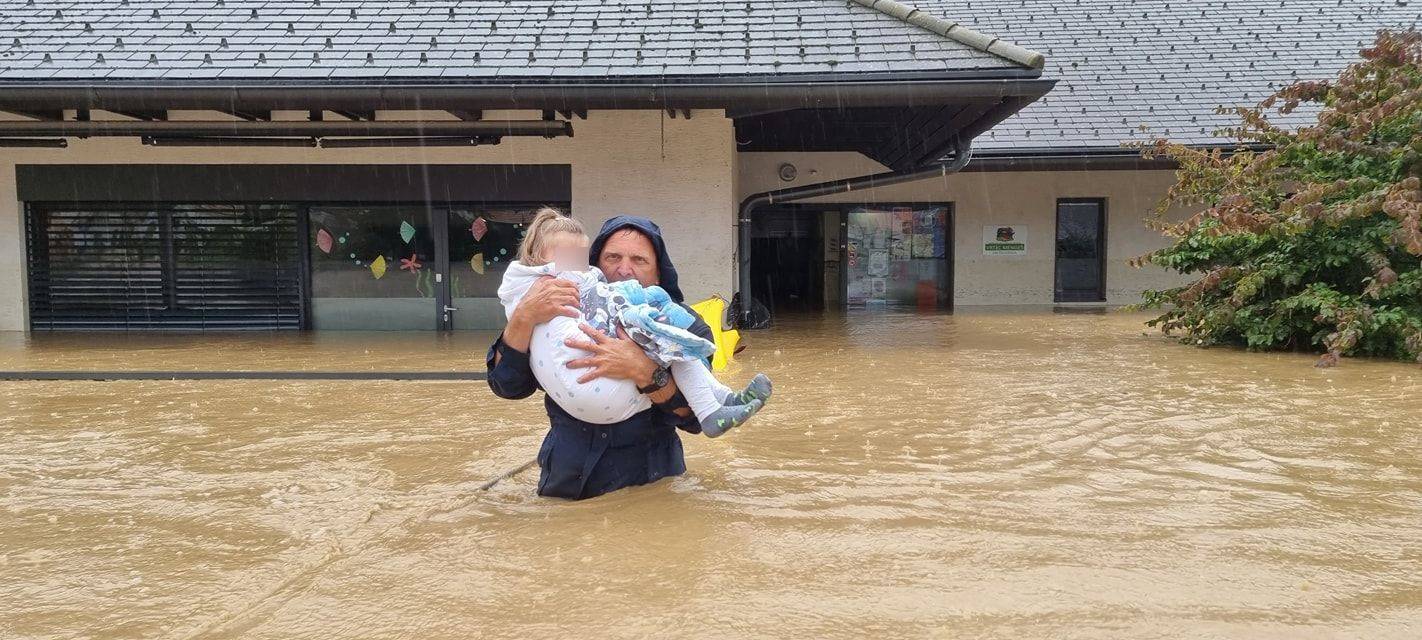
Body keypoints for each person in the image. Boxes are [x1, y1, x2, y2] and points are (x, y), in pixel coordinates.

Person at [486, 212, 765, 500]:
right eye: (612, 258)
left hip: (651, 486)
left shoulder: (683, 327)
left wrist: (644, 371)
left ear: (659, 272)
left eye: (639, 260)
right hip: (565, 483)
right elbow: (508, 387)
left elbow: (694, 419)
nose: (624, 270)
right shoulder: (552, 311)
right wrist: (522, 318)